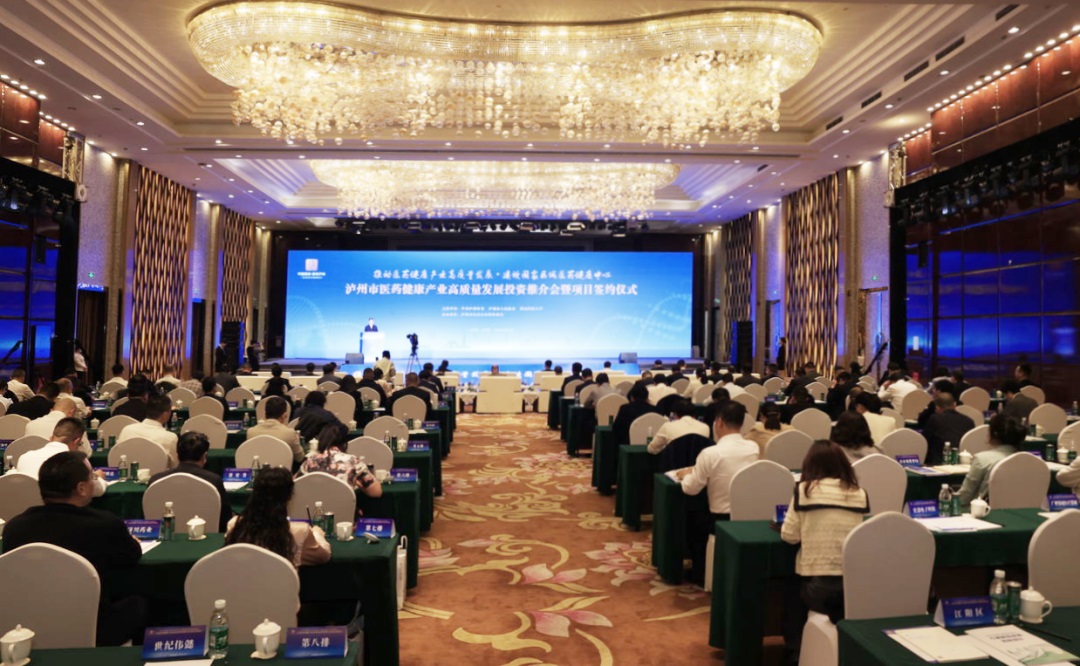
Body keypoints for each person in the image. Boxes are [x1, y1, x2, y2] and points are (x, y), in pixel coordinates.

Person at [2, 451, 145, 645]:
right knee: (139, 602)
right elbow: (131, 556)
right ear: (81, 488)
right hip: (95, 628)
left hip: (25, 629)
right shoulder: (105, 524)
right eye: (92, 478)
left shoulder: (14, 528)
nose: (95, 481)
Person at [780, 440, 870, 663]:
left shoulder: (804, 491)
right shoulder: (859, 493)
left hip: (819, 588)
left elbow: (789, 536)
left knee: (790, 588)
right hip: (853, 587)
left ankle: (796, 652)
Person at [675, 401, 759, 585]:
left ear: (719, 422)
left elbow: (691, 489)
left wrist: (686, 475)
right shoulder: (753, 448)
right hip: (747, 515)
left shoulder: (710, 453)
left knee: (690, 515)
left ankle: (700, 571)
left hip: (719, 518)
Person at [225, 467, 331, 569]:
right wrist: (318, 534)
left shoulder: (234, 525)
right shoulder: (300, 531)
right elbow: (324, 556)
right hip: (284, 582)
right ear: (289, 496)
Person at [148, 432, 233, 533]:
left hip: (164, 537)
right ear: (205, 456)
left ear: (177, 455)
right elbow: (225, 519)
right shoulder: (213, 480)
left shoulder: (155, 480)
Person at [15, 418, 106, 496]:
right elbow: (96, 490)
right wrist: (98, 477)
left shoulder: (24, 457)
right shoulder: (77, 462)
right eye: (80, 444)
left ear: (51, 438)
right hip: (59, 510)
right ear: (76, 441)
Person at [957, 414, 1024, 507]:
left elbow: (964, 498)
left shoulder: (982, 459)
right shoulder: (1028, 461)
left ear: (994, 434)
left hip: (984, 512)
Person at [299, 423, 383, 496]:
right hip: (345, 508)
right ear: (345, 444)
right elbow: (376, 492)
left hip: (314, 508)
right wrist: (360, 485)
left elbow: (295, 485)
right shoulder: (353, 461)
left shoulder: (310, 461)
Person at [117, 395, 179, 467]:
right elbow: (175, 466)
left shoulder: (127, 430)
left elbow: (116, 456)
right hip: (158, 474)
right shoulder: (170, 438)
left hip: (128, 471)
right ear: (165, 414)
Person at [245, 396, 304, 463]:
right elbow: (300, 458)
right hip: (282, 469)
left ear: (265, 414)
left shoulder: (251, 432)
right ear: (285, 415)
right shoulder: (290, 433)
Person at [24, 397, 92, 453]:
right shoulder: (74, 427)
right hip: (61, 464)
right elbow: (87, 452)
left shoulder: (30, 424)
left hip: (32, 462)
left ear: (52, 410)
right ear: (72, 412)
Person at [922, 393, 976, 465]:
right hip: (964, 462)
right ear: (955, 404)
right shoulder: (969, 421)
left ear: (937, 408)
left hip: (938, 462)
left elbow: (924, 440)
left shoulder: (934, 419)